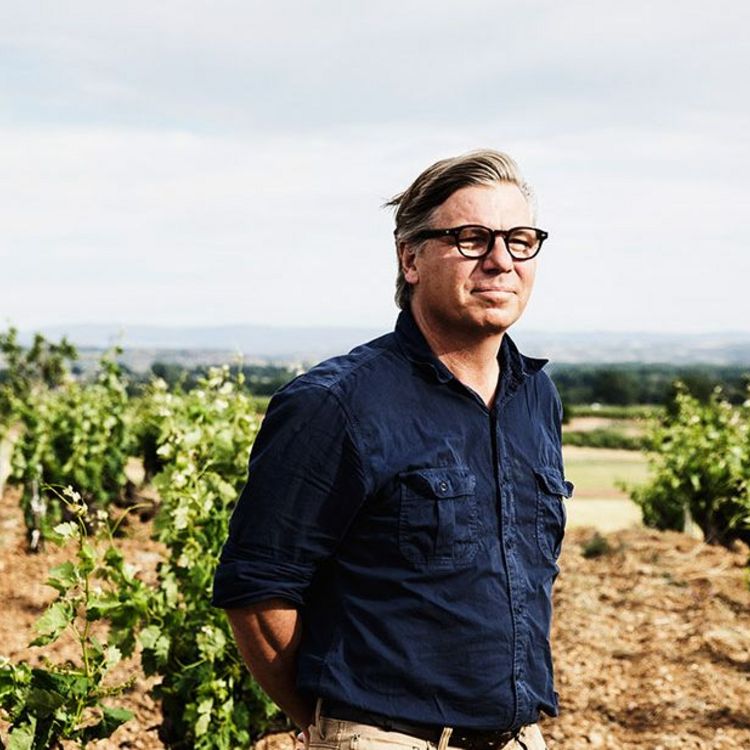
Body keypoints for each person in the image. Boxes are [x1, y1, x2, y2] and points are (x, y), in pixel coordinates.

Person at [212, 149, 573, 750]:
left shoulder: (535, 396)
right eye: (471, 238)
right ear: (410, 259)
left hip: (516, 736)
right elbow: (258, 592)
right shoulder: (337, 404)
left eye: (520, 240)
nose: (501, 260)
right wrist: (331, 727)